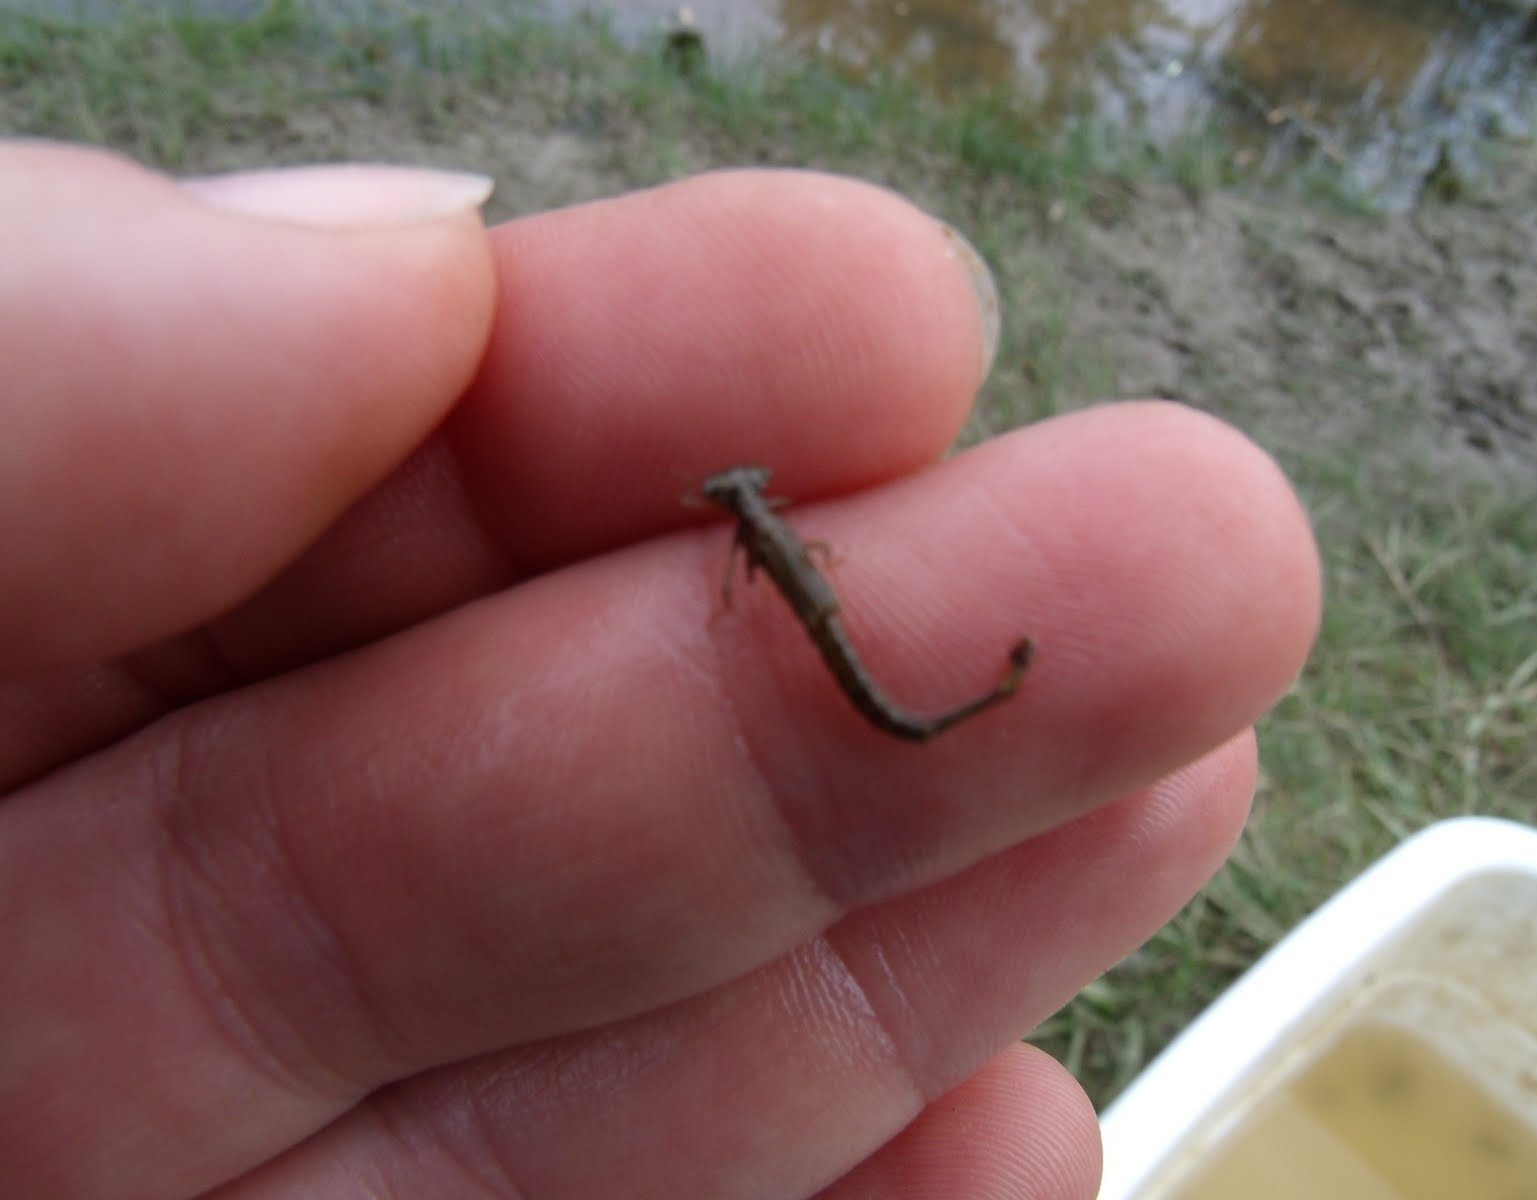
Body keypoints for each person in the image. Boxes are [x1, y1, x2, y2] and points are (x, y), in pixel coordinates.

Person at [0, 140, 1321, 1199]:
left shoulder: (751, 542)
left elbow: (753, 554)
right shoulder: (759, 540)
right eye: (743, 499)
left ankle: (971, 702)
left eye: (739, 497)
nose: (739, 500)